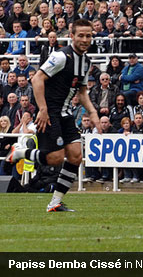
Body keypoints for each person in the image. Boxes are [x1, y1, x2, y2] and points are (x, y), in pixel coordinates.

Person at [6, 19, 101, 212]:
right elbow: (37, 78)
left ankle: (55, 202)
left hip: (65, 114)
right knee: (55, 159)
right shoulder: (60, 56)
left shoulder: (86, 62)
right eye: (81, 35)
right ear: (72, 36)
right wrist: (42, 109)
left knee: (76, 157)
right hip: (49, 114)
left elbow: (82, 92)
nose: (85, 39)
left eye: (88, 35)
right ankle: (20, 152)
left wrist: (92, 112)